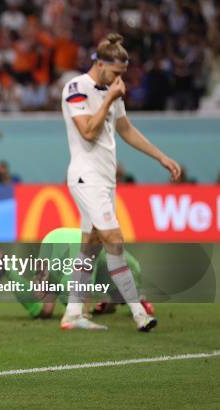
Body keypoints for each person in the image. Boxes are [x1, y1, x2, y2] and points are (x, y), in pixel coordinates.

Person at [60, 33, 181, 331]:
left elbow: (125, 129)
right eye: (116, 73)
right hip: (85, 177)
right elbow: (88, 131)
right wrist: (110, 98)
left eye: (123, 75)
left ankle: (73, 314)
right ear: (100, 64)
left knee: (90, 247)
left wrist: (160, 157)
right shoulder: (77, 88)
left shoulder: (110, 90)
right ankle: (140, 313)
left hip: (104, 180)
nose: (119, 80)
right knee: (115, 239)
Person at [0, 228, 153, 322]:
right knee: (78, 303)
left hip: (54, 238)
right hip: (77, 245)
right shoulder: (131, 269)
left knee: (44, 310)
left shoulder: (116, 273)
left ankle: (6, 266)